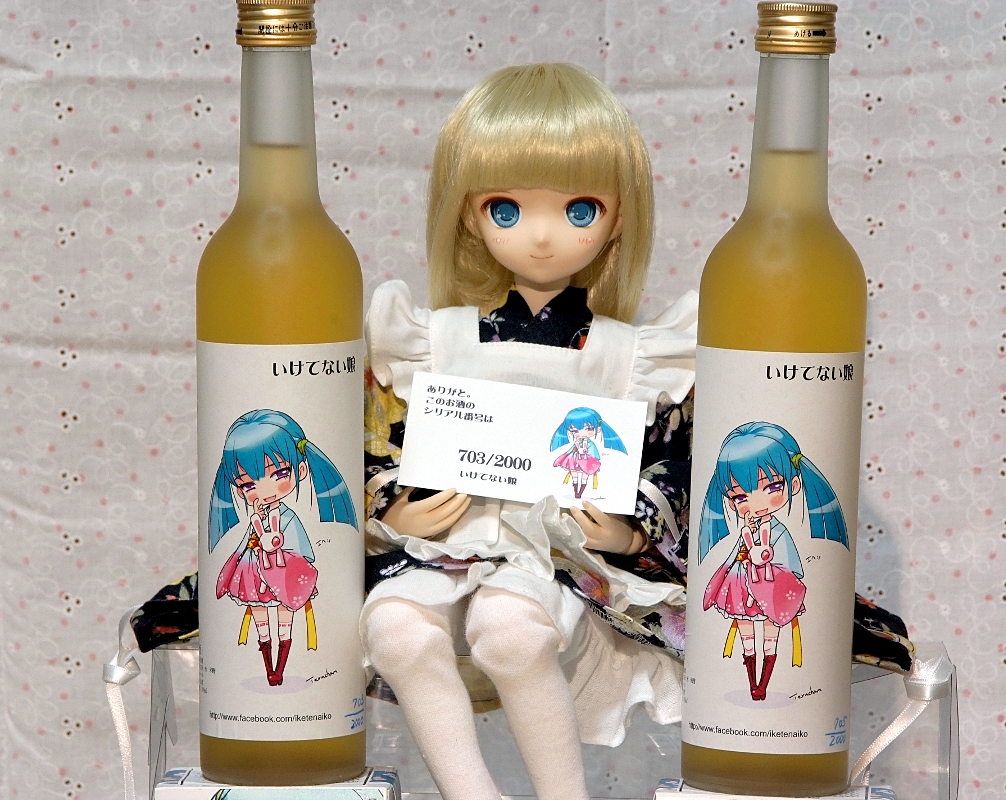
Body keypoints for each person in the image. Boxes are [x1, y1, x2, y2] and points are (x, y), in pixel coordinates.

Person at [362, 63, 696, 800]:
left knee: (511, 627)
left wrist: (629, 530)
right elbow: (382, 444)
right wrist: (395, 510)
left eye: (579, 210)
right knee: (393, 628)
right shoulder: (435, 340)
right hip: (449, 539)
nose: (542, 236)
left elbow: (670, 463)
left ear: (618, 218)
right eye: (507, 209)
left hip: (556, 551)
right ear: (468, 214)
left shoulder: (629, 357)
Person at [698, 421, 848, 700]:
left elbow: (791, 562)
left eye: (772, 486)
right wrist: (727, 571)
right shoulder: (745, 531)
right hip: (742, 586)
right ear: (730, 502)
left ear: (794, 485)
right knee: (747, 638)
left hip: (771, 587)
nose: (756, 502)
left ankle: (762, 685)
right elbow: (733, 557)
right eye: (741, 496)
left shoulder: (778, 531)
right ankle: (752, 681)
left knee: (770, 637)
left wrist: (780, 572)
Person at [209, 409, 357, 686]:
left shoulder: (288, 517)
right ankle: (270, 669)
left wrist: (294, 559)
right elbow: (245, 545)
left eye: (279, 473)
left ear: (301, 470)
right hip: (254, 573)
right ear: (240, 490)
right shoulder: (256, 519)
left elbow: (302, 547)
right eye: (249, 484)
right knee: (263, 625)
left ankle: (280, 669)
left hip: (284, 573)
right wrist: (242, 555)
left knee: (285, 623)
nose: (264, 490)